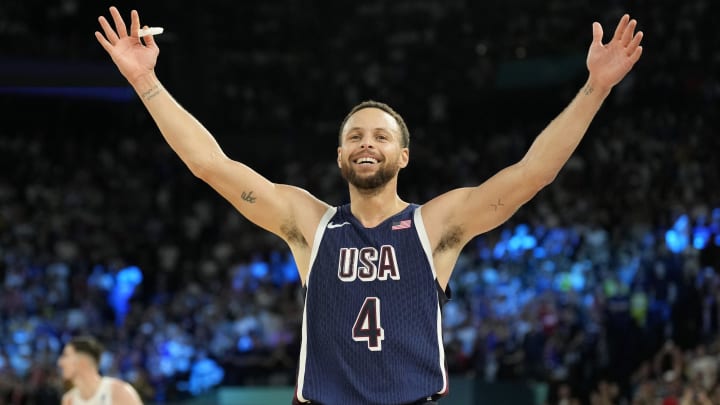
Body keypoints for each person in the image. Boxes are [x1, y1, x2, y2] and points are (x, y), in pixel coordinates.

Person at [95, 7, 643, 404]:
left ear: (403, 155)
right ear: (339, 156)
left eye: (380, 137)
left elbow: (534, 173)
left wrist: (595, 87)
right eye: (356, 136)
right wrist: (146, 82)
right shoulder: (310, 224)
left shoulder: (437, 224)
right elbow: (211, 166)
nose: (366, 144)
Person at [57, 336, 143, 405]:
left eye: (66, 355)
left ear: (83, 361)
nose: (60, 362)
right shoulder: (69, 400)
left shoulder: (117, 391)